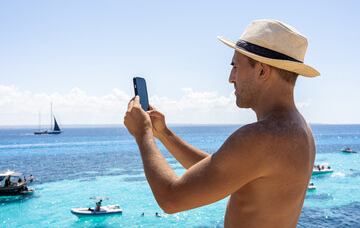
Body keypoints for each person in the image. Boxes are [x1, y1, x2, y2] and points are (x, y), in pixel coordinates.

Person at [124, 19, 319, 228]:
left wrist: (143, 135)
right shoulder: (299, 130)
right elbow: (223, 169)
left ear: (262, 71)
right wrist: (164, 135)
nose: (230, 77)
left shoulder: (262, 137)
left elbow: (171, 199)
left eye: (235, 67)